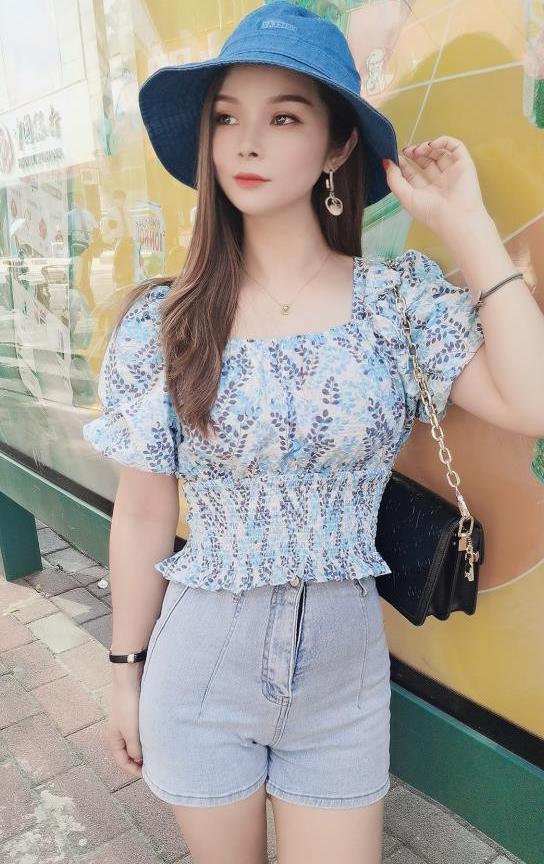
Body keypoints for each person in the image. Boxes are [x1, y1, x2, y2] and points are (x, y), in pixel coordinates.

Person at [82, 3, 544, 863]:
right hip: (200, 667)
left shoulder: (395, 301)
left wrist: (470, 227)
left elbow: (533, 400)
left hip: (343, 677)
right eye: (227, 118)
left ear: (338, 146)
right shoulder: (165, 322)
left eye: (285, 118)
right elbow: (143, 512)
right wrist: (123, 671)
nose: (247, 143)